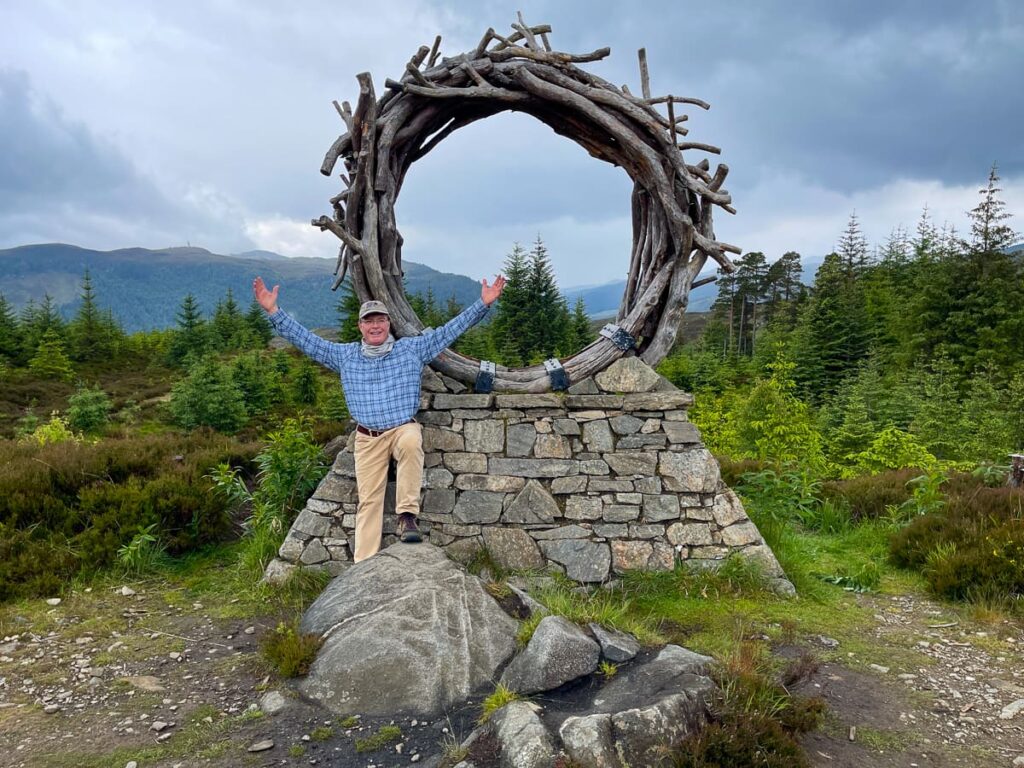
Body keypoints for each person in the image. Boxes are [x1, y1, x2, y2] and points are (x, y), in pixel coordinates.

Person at [253, 275, 506, 562]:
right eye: (369, 321)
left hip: (401, 428)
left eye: (380, 321)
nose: (375, 326)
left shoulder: (410, 349)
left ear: (388, 324)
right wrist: (273, 311)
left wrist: (482, 304)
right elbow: (308, 342)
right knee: (369, 502)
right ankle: (363, 567)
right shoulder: (345, 356)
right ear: (360, 326)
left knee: (412, 440)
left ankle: (407, 516)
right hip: (367, 437)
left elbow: (448, 332)